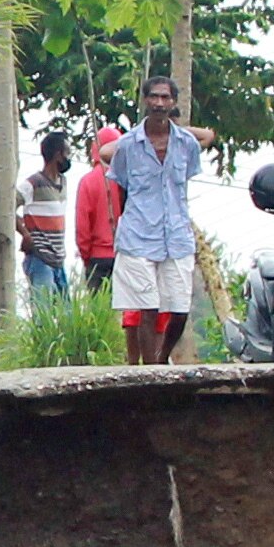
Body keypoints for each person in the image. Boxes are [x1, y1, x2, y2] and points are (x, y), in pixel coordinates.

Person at [106, 75, 213, 366]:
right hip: (139, 234)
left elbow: (185, 176)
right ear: (145, 100)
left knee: (179, 307)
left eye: (166, 98)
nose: (159, 103)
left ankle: (162, 357)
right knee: (147, 306)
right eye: (154, 97)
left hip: (176, 234)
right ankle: (150, 369)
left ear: (174, 102)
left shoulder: (186, 144)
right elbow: (123, 180)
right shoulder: (127, 146)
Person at [16, 130, 76, 300]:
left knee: (66, 315)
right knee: (44, 314)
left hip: (58, 258)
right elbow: (7, 208)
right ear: (58, 155)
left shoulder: (63, 182)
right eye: (67, 153)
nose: (69, 157)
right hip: (39, 256)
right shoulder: (32, 184)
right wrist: (25, 234)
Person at [73, 120, 126, 292]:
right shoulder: (126, 180)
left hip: (97, 258)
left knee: (99, 314)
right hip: (124, 257)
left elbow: (82, 227)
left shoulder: (88, 182)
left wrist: (86, 256)